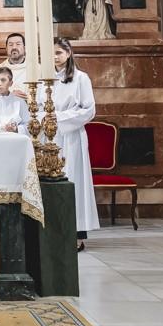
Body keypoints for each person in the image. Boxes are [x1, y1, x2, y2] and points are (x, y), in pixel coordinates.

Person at [52, 38, 98, 250]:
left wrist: (59, 118)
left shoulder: (81, 78)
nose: (55, 57)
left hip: (71, 137)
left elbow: (88, 110)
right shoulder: (45, 78)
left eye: (59, 53)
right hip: (49, 136)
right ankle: (54, 232)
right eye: (51, 53)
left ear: (69, 53)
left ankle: (77, 233)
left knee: (74, 182)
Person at [0, 33, 30, 100]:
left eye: (18, 44)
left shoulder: (37, 69)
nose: (14, 47)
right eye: (10, 45)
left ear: (24, 48)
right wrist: (8, 96)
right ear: (6, 49)